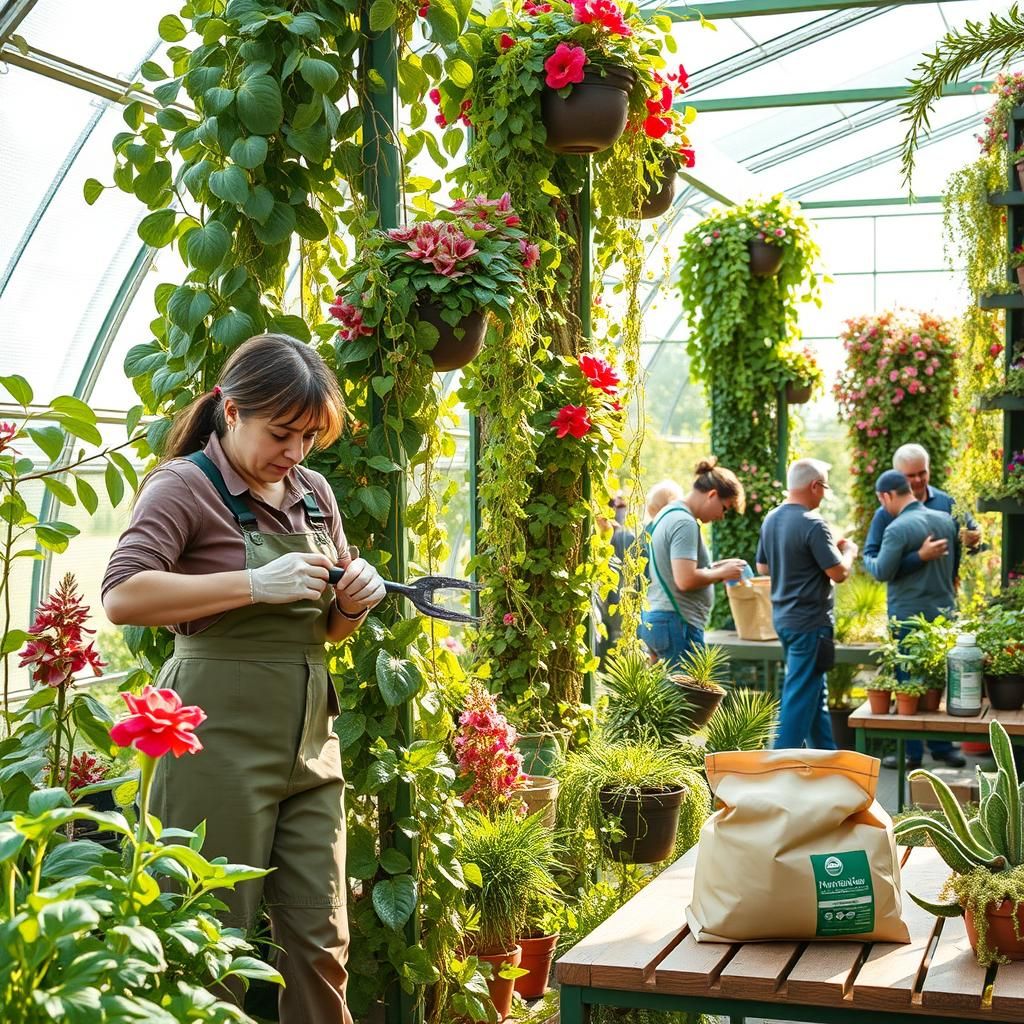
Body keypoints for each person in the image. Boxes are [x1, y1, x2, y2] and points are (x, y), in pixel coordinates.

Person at [102, 335, 385, 1024]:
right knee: (209, 941)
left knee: (321, 942)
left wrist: (351, 603)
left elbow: (323, 633)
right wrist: (253, 583)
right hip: (213, 746)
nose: (294, 453)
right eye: (281, 433)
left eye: (309, 437)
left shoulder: (314, 494)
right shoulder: (184, 486)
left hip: (310, 748)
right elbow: (123, 596)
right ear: (230, 410)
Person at [862, 442, 974, 769]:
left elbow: (881, 568)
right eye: (911, 476)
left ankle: (929, 749)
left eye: (922, 473)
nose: (918, 481)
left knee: (911, 679)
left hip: (914, 609)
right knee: (928, 677)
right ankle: (913, 751)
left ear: (886, 495)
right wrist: (919, 558)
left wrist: (866, 560)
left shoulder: (932, 511)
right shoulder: (931, 518)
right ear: (902, 481)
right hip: (941, 607)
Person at [756, 458, 858, 749]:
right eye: (824, 487)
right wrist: (848, 552)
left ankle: (827, 763)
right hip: (810, 625)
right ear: (815, 486)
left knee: (814, 697)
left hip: (785, 620)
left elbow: (763, 567)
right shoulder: (813, 523)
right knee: (798, 699)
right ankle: (776, 768)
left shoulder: (772, 518)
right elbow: (839, 573)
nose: (824, 494)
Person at [639, 459, 748, 665]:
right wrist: (722, 573)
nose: (722, 517)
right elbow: (685, 579)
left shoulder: (669, 513)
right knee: (689, 697)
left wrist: (717, 569)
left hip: (662, 620)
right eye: (724, 508)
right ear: (712, 495)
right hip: (677, 624)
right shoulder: (684, 522)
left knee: (670, 696)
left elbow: (674, 570)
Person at [596, 494, 636, 662]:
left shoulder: (624, 536)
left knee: (618, 633)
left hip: (618, 596)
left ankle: (618, 665)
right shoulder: (616, 535)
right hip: (612, 595)